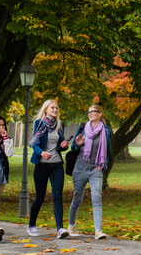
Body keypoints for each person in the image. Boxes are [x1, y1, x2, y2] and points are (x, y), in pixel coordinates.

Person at [68, 104, 112, 240]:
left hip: (95, 169)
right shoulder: (83, 128)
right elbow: (74, 147)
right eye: (89, 112)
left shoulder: (106, 130)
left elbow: (108, 150)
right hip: (80, 167)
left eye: (94, 111)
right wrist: (78, 143)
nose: (91, 114)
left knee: (96, 197)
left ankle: (98, 230)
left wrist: (103, 165)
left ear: (100, 114)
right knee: (77, 198)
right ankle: (71, 225)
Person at [28, 99, 70, 238]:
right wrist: (41, 152)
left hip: (56, 164)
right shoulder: (39, 123)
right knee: (40, 197)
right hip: (41, 164)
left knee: (57, 195)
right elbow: (34, 142)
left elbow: (60, 145)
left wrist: (64, 145)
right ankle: (31, 225)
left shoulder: (60, 124)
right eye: (52, 108)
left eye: (57, 108)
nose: (55, 110)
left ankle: (60, 229)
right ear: (46, 109)